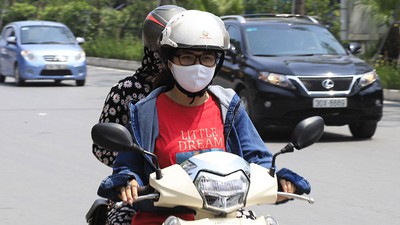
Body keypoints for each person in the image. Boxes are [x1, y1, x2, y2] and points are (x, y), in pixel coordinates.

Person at [98, 9, 310, 225]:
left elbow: (256, 158)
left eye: (207, 58)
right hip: (162, 218)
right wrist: (128, 180)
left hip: (227, 216)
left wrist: (279, 180)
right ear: (169, 60)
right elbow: (129, 166)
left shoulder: (229, 107)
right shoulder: (145, 112)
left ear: (216, 63)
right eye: (187, 57)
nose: (198, 67)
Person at [91, 5, 187, 225]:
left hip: (205, 189)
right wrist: (132, 173)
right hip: (145, 192)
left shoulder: (208, 94)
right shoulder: (126, 91)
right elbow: (103, 148)